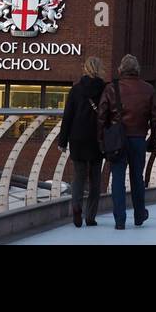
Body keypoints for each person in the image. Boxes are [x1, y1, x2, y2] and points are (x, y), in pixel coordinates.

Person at [97, 54, 156, 231]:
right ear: (137, 70)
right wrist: (153, 141)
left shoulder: (111, 88)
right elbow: (155, 119)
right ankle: (139, 214)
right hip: (139, 138)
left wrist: (101, 141)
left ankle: (120, 220)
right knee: (137, 177)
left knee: (117, 177)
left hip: (117, 140)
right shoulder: (148, 89)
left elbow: (101, 117)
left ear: (120, 70)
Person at [58, 56, 106, 228]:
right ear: (100, 69)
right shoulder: (105, 89)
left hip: (77, 137)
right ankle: (91, 216)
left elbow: (68, 117)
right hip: (97, 138)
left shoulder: (76, 90)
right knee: (95, 178)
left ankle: (76, 207)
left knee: (78, 176)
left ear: (85, 69)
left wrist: (62, 141)